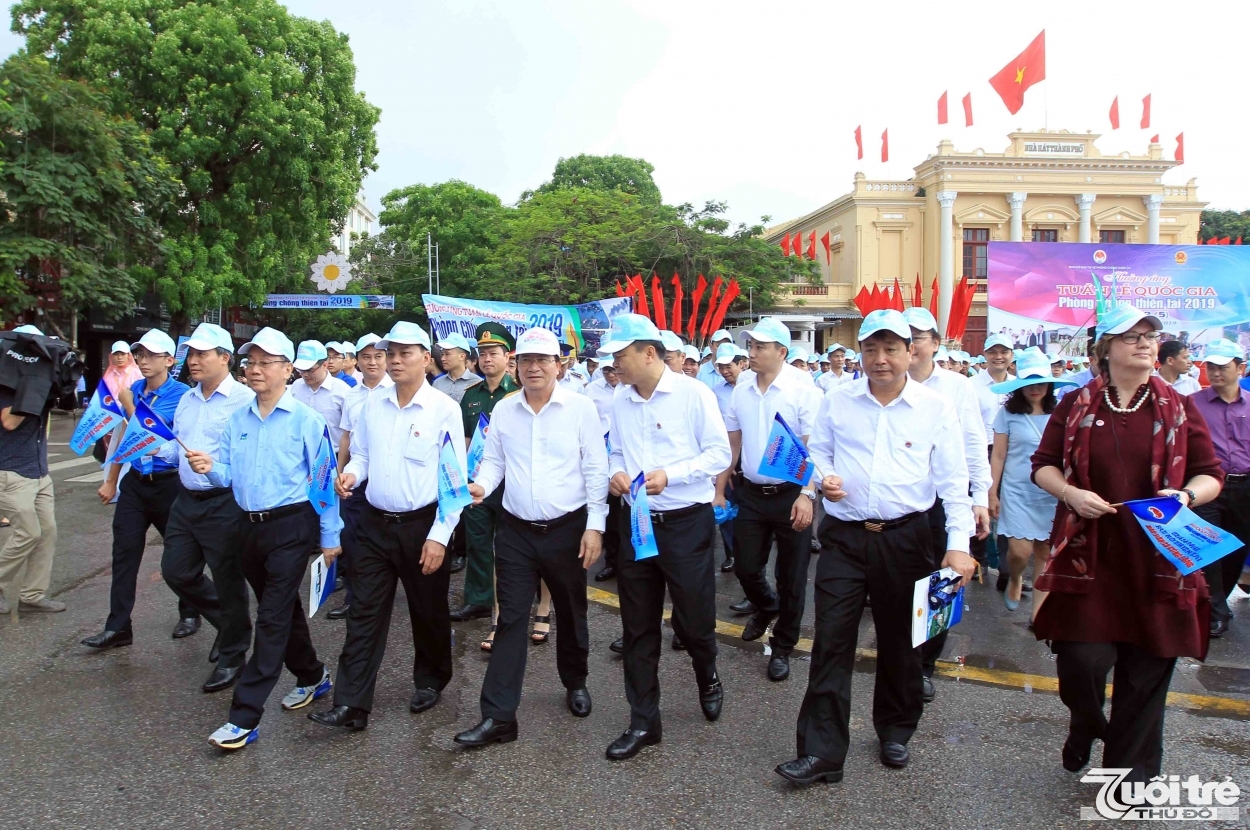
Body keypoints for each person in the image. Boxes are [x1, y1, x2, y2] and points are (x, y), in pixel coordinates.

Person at [776, 309, 975, 786]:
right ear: (859, 353)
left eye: (891, 349)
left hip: (908, 538)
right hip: (845, 537)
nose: (880, 359)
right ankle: (823, 753)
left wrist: (959, 544)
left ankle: (896, 728)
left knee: (903, 642)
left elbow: (954, 480)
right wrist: (823, 479)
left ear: (912, 352)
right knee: (831, 642)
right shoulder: (838, 401)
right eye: (870, 349)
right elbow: (817, 451)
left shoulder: (935, 407)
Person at [1030, 303, 1223, 782]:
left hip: (1158, 556)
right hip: (1088, 554)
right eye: (1131, 335)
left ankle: (1130, 779)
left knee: (1147, 673)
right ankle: (1086, 723)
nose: (1144, 342)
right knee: (1081, 663)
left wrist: (1184, 495)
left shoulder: (1180, 406)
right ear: (1106, 348)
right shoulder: (1076, 404)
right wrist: (1071, 493)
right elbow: (1043, 465)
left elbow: (1211, 475)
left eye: (1150, 336)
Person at [454, 327, 608, 747]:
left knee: (572, 612)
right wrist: (480, 486)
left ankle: (575, 681)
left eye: (542, 360)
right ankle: (499, 716)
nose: (533, 367)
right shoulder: (504, 410)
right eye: (525, 360)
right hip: (517, 531)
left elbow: (596, 468)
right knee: (510, 620)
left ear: (558, 365)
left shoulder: (580, 408)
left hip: (568, 529)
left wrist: (595, 525)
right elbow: (493, 462)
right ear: (516, 365)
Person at [308, 322, 464, 733]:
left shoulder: (444, 410)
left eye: (403, 353)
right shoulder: (369, 408)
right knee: (364, 612)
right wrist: (352, 475)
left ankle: (431, 680)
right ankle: (351, 703)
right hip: (375, 526)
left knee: (427, 611)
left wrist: (439, 537)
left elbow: (454, 482)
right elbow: (361, 455)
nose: (394, 361)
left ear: (425, 359)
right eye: (389, 353)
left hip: (422, 525)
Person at [195, 327, 344, 751]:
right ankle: (313, 675)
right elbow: (228, 473)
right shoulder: (237, 419)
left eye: (265, 362)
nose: (255, 370)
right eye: (250, 363)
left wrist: (330, 536)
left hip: (291, 527)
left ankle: (243, 716)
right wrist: (210, 467)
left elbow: (324, 483)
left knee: (271, 618)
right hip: (246, 526)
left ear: (287, 369)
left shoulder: (306, 421)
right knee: (281, 610)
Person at [601, 314, 731, 760]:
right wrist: (615, 471)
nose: (615, 366)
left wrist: (670, 475)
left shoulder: (694, 395)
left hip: (685, 523)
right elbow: (614, 448)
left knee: (693, 619)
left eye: (620, 357)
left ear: (649, 353)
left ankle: (707, 670)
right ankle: (643, 722)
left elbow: (718, 453)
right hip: (636, 522)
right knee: (637, 625)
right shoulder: (620, 399)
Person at [152, 323, 257, 692]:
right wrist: (154, 449)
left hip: (224, 502)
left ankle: (233, 655)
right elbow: (178, 446)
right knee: (176, 572)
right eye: (191, 354)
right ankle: (231, 627)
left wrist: (215, 467)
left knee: (228, 580)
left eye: (201, 354)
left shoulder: (244, 401)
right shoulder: (187, 398)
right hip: (185, 500)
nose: (192, 361)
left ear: (224, 358)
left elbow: (249, 457)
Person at [715, 318, 819, 682]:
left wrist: (808, 494)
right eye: (751, 347)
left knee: (791, 575)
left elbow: (813, 446)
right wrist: (719, 488)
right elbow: (733, 442)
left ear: (781, 352)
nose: (752, 353)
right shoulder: (742, 388)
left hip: (792, 493)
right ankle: (765, 604)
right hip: (752, 493)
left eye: (760, 347)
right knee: (745, 565)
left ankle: (784, 646)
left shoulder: (801, 389)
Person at [82, 329, 194, 649]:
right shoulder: (133, 388)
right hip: (135, 483)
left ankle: (189, 610)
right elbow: (125, 438)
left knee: (180, 553)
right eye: (139, 355)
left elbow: (155, 434)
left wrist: (130, 404)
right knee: (125, 552)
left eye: (151, 355)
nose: (143, 361)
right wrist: (110, 480)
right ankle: (118, 627)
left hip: (169, 483)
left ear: (169, 361)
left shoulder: (183, 395)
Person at [901, 308, 991, 703]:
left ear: (935, 344)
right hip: (901, 503)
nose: (911, 345)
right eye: (905, 337)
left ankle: (925, 665)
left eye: (918, 337)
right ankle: (901, 657)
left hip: (946, 502)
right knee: (902, 585)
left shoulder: (956, 387)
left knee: (943, 584)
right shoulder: (880, 383)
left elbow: (974, 443)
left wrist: (980, 497)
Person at [987, 348, 1075, 618]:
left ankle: (1039, 611)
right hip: (1017, 491)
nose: (1035, 388)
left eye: (1040, 382)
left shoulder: (1062, 413)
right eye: (1028, 383)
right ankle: (1014, 578)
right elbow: (999, 454)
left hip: (1051, 491)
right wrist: (992, 491)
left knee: (1045, 552)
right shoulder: (1007, 414)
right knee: (1019, 552)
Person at [450, 323, 520, 644]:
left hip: (511, 482)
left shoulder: (517, 394)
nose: (487, 359)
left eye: (494, 353)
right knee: (478, 540)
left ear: (508, 357)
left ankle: (513, 597)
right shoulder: (470, 396)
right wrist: (465, 478)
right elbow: (465, 440)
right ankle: (478, 598)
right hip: (478, 481)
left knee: (511, 544)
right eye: (483, 354)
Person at [327, 333, 394, 621]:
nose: (372, 362)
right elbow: (346, 436)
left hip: (386, 477)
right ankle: (356, 598)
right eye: (366, 357)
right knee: (353, 538)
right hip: (356, 477)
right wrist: (340, 472)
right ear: (356, 360)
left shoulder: (397, 390)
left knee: (387, 539)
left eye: (378, 356)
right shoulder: (351, 393)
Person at [0, 324, 63, 615]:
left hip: (38, 470)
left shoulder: (39, 381)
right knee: (28, 533)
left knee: (47, 532)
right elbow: (9, 422)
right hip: (10, 470)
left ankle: (32, 595)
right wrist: (35, 385)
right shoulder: (6, 381)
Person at [1190, 339, 1250, 639]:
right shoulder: (1193, 403)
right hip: (1208, 485)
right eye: (1210, 367)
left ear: (1241, 368)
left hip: (1245, 486)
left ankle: (1220, 600)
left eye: (1222, 367)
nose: (1215, 373)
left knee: (1237, 548)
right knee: (1209, 546)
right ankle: (1214, 610)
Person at [587, 357, 622, 583]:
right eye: (606, 370)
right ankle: (613, 561)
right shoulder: (591, 390)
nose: (611, 375)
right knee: (610, 514)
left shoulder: (632, 387)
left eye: (613, 369)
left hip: (629, 460)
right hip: (604, 459)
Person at [291, 340, 351, 452]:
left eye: (310, 370)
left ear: (324, 365)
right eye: (301, 370)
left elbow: (350, 432)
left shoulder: (342, 392)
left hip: (333, 456)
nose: (305, 374)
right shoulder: (296, 387)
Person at [433, 333, 482, 402]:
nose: (442, 358)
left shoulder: (477, 383)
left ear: (462, 356)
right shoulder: (437, 383)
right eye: (442, 354)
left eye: (447, 354)